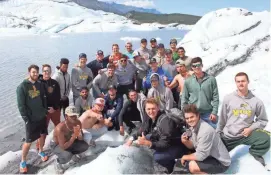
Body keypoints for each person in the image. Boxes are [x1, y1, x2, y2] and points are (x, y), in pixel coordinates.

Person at [217, 72, 270, 168]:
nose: (241, 83)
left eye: (243, 81)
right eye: (238, 81)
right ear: (235, 83)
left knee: (266, 139)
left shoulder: (256, 101)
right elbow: (222, 118)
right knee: (214, 158)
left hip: (246, 135)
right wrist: (218, 133)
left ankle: (255, 153)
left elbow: (262, 120)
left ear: (248, 82)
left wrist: (251, 128)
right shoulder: (228, 98)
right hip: (228, 136)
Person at [125, 98, 187, 174]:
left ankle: (170, 166)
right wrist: (131, 138)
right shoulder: (151, 118)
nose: (151, 111)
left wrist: (149, 143)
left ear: (158, 108)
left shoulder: (165, 121)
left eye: (153, 108)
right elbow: (143, 130)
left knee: (157, 157)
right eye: (148, 109)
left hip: (178, 146)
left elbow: (165, 144)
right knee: (148, 137)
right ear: (145, 109)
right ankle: (167, 158)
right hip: (166, 142)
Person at [181, 104, 231, 174]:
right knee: (188, 162)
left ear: (198, 115)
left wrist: (184, 157)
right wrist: (185, 141)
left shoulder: (205, 131)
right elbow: (192, 146)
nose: (189, 120)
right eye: (187, 118)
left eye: (192, 117)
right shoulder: (194, 127)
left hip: (221, 162)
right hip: (209, 156)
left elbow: (200, 156)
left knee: (192, 166)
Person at [16, 65, 49, 173]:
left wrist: (45, 111)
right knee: (28, 141)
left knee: (41, 135)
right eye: (33, 72)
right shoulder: (22, 87)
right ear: (29, 72)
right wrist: (26, 118)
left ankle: (41, 151)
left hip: (41, 115)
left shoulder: (39, 85)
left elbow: (43, 98)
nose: (35, 74)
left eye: (36, 72)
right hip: (30, 119)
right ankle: (23, 161)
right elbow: (21, 105)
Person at [182, 57, 219, 128]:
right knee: (195, 136)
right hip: (193, 114)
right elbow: (184, 98)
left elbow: (215, 97)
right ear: (191, 68)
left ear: (202, 65)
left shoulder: (211, 79)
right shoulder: (188, 81)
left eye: (198, 65)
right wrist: (185, 114)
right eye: (194, 66)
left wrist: (214, 112)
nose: (196, 67)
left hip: (208, 114)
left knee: (215, 134)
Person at [50, 106, 89, 174]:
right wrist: (74, 136)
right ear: (66, 116)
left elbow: (81, 138)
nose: (74, 117)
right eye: (71, 116)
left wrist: (79, 134)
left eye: (75, 115)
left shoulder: (78, 122)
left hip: (69, 141)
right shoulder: (61, 128)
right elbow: (63, 146)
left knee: (84, 146)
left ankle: (73, 155)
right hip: (57, 145)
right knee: (67, 155)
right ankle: (58, 162)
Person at [36, 64, 61, 151]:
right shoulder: (37, 83)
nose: (47, 72)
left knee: (58, 126)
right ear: (42, 72)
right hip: (43, 112)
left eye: (49, 71)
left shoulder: (55, 83)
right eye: (45, 71)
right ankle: (40, 147)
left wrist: (54, 108)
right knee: (43, 131)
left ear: (51, 72)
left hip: (55, 110)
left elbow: (58, 97)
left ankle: (57, 141)